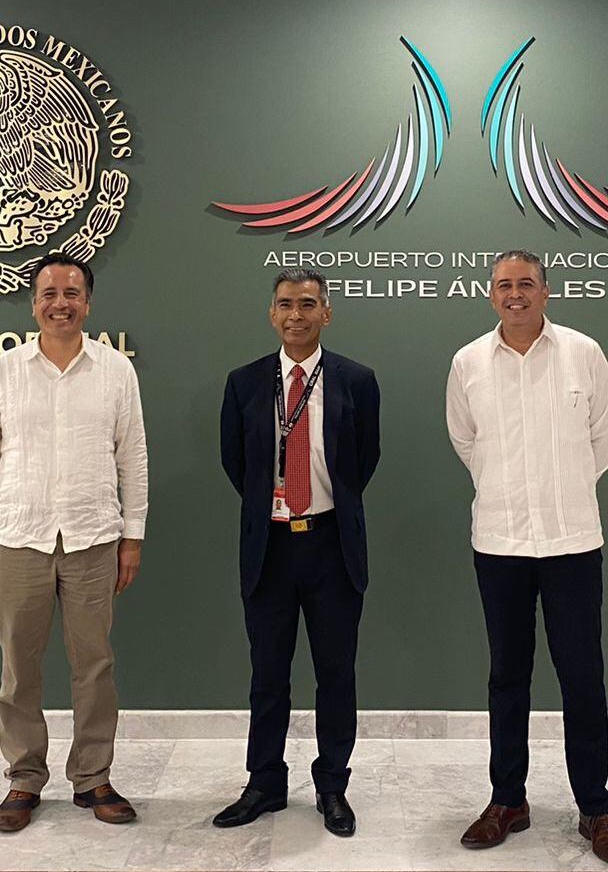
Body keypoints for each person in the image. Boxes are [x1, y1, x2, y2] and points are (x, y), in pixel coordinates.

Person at [445, 250, 608, 866]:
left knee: (583, 678)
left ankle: (595, 808)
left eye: (526, 283)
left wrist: (563, 489)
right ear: (491, 294)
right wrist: (508, 490)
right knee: (507, 676)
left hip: (571, 542)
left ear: (546, 292)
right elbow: (466, 441)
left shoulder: (584, 353)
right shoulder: (468, 363)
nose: (515, 294)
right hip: (499, 542)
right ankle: (508, 801)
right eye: (504, 285)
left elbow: (603, 439)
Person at [0, 252, 148, 832]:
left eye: (71, 293)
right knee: (18, 667)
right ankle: (24, 778)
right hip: (19, 538)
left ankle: (92, 778)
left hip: (94, 538)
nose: (60, 303)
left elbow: (133, 458)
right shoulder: (3, 372)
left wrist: (133, 536)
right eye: (49, 294)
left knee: (95, 664)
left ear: (87, 302)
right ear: (34, 303)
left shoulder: (115, 371)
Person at [214, 268, 380, 837]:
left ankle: (332, 785)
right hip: (270, 547)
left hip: (332, 546)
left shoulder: (357, 380)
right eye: (286, 304)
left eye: (308, 304)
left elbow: (364, 461)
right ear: (272, 313)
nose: (296, 315)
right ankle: (265, 783)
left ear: (326, 313)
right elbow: (237, 464)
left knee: (336, 673)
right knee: (268, 674)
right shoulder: (244, 383)